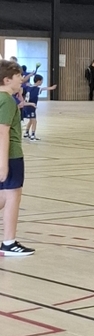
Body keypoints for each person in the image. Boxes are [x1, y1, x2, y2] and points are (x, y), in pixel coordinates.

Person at [0, 61, 33, 257]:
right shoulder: (6, 101)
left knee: (4, 196)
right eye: (18, 76)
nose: (22, 79)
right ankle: (9, 242)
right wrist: (3, 164)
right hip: (10, 155)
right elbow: (3, 132)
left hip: (6, 155)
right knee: (13, 196)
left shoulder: (6, 99)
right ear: (6, 80)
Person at [20, 74, 55, 141]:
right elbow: (43, 88)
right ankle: (33, 135)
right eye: (41, 81)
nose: (42, 82)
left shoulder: (29, 87)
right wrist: (51, 88)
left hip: (26, 106)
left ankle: (26, 133)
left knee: (31, 120)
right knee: (34, 121)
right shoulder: (36, 89)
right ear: (38, 81)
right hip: (31, 106)